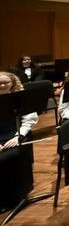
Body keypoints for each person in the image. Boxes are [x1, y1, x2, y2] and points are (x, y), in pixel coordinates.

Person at [0, 72, 38, 212]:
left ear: (12, 83)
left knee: (8, 157)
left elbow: (29, 120)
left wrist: (18, 136)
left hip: (17, 133)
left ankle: (16, 196)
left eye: (6, 83)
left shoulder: (21, 96)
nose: (3, 85)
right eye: (0, 83)